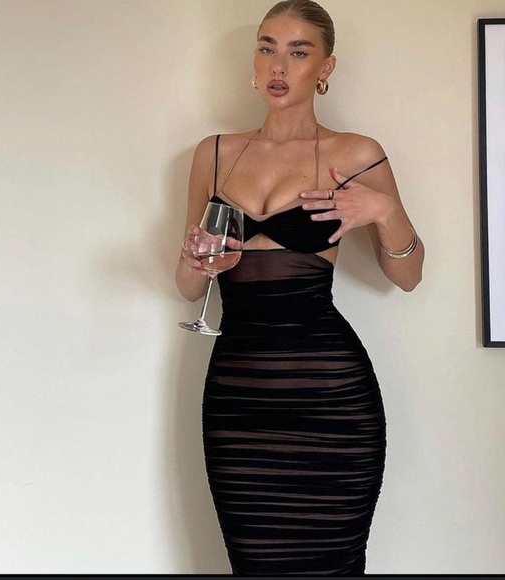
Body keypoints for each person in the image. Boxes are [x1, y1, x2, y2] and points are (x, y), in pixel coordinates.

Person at [175, 0, 424, 574]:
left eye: (298, 51)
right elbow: (187, 287)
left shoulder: (356, 153)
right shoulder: (214, 154)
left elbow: (409, 277)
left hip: (330, 396)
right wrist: (197, 262)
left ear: (325, 67)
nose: (278, 65)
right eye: (267, 48)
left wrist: (385, 212)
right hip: (238, 395)